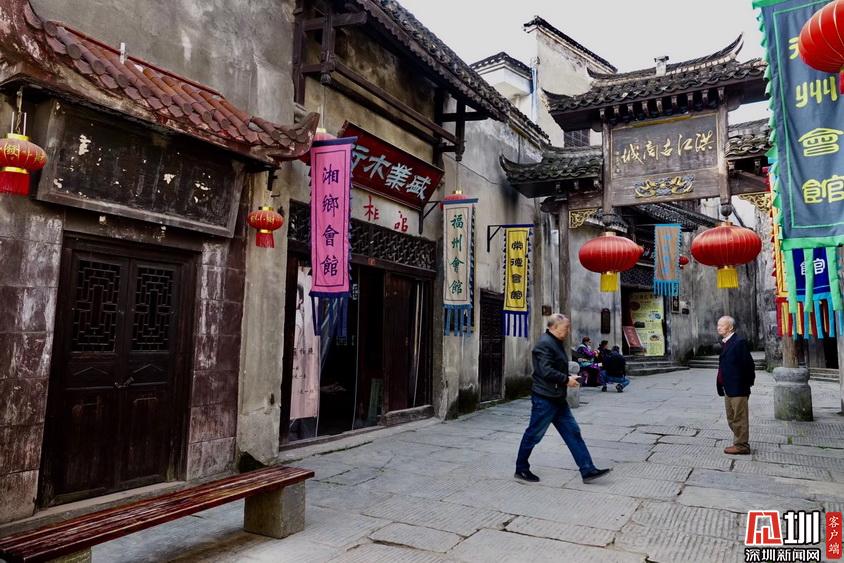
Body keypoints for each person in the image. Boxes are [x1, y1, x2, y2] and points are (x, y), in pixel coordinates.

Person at [515, 314, 611, 483]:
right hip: (545, 398)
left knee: (573, 432)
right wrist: (566, 380)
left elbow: (555, 367)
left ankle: (587, 470)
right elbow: (545, 371)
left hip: (557, 398)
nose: (568, 331)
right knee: (534, 434)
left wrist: (568, 377)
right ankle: (521, 469)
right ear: (554, 327)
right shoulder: (544, 344)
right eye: (566, 327)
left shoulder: (555, 342)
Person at [716, 315, 755, 455]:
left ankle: (741, 445)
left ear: (730, 327)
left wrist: (746, 385)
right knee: (731, 418)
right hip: (728, 387)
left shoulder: (739, 343)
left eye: (721, 325)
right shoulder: (726, 342)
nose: (718, 327)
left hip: (738, 387)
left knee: (739, 417)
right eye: (718, 325)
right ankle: (740, 440)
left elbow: (749, 365)